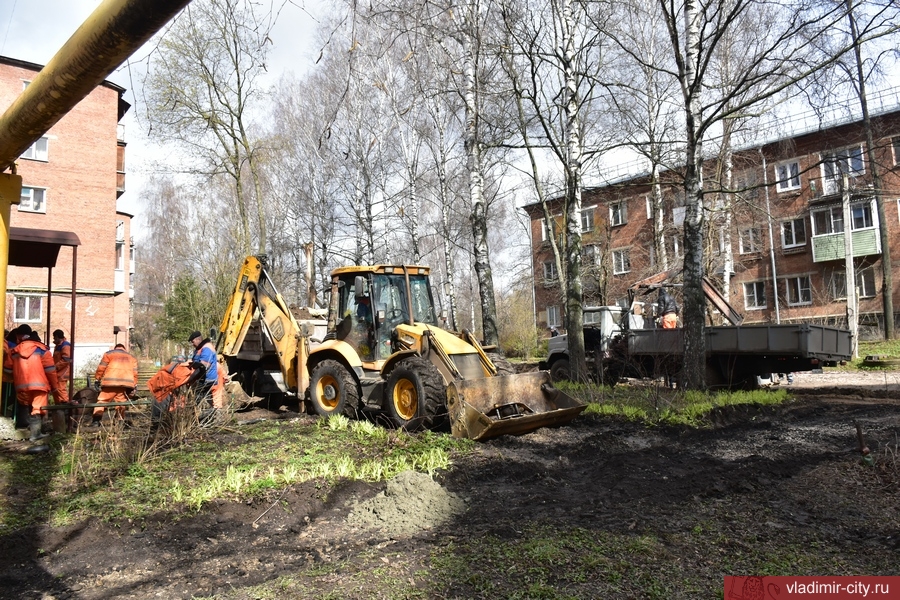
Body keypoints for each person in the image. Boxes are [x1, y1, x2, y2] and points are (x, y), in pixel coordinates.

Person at [3, 324, 58, 441]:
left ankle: (22, 430)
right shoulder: (42, 350)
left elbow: (7, 369)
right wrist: (54, 387)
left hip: (20, 385)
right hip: (39, 385)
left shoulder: (13, 351)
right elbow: (50, 371)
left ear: (19, 336)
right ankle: (35, 434)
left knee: (24, 405)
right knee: (37, 408)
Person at [92, 343, 139, 425]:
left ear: (115, 348)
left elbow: (101, 368)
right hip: (124, 385)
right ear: (124, 349)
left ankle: (96, 421)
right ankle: (120, 421)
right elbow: (135, 373)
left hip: (109, 383)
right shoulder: (132, 358)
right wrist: (134, 385)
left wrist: (97, 379)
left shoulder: (109, 354)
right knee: (121, 403)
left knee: (102, 401)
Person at [51, 329, 76, 431]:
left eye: (54, 337)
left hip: (63, 372)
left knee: (61, 390)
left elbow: (66, 360)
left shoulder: (65, 345)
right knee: (57, 390)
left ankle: (65, 409)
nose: (53, 339)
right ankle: (60, 408)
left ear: (57, 336)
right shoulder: (59, 345)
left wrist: (55, 367)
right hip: (58, 372)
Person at [188, 331, 219, 401]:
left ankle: (205, 410)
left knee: (198, 395)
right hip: (205, 378)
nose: (192, 344)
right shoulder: (201, 348)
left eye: (193, 342)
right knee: (205, 397)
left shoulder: (206, 348)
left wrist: (191, 378)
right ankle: (208, 410)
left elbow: (203, 366)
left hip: (207, 378)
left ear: (198, 339)